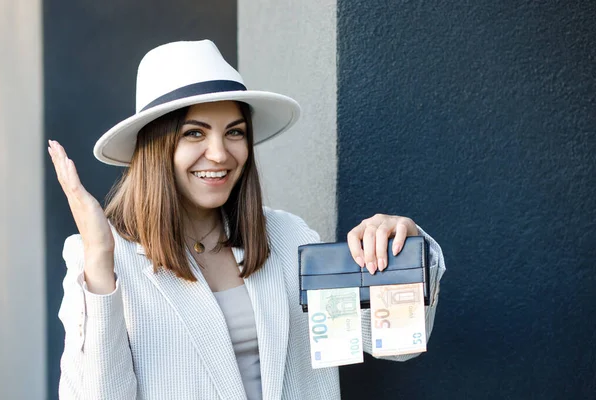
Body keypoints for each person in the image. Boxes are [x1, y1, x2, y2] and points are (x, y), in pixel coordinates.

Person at [50, 40, 446, 400]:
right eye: (194, 133)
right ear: (156, 147)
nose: (220, 154)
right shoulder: (99, 259)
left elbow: (397, 342)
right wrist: (100, 258)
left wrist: (401, 250)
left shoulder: (289, 238)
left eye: (234, 132)